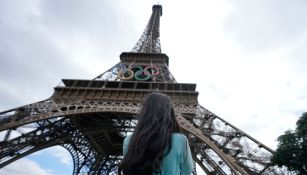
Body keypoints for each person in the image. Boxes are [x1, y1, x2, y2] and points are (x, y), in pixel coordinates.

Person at [119, 92, 193, 175]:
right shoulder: (180, 140)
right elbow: (187, 171)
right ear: (169, 113)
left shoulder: (129, 140)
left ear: (144, 112)